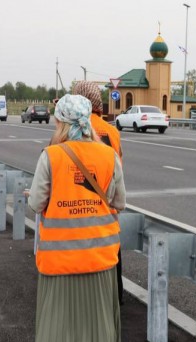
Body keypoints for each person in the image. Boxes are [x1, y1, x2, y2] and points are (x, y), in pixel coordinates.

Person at [27, 94, 126, 342]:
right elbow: (119, 202)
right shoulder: (108, 155)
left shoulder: (52, 155)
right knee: (94, 316)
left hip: (60, 256)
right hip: (98, 254)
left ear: (60, 122)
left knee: (62, 315)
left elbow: (35, 203)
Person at [71, 80, 126, 303]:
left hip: (76, 201)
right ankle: (115, 297)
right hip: (106, 203)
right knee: (111, 252)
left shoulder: (71, 126)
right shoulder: (111, 131)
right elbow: (118, 167)